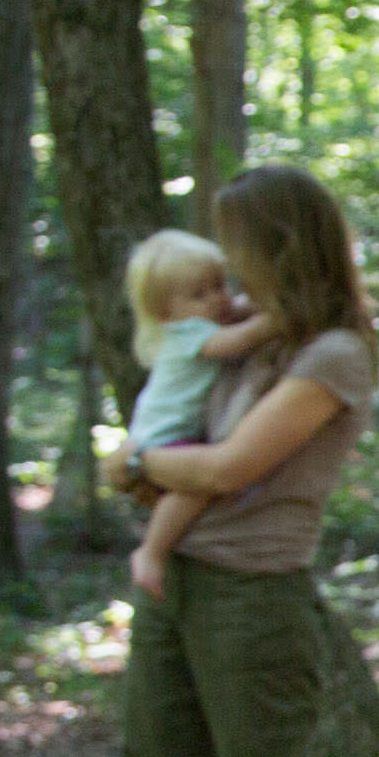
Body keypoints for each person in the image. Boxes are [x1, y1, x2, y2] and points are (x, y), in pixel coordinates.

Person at [112, 166, 379, 757]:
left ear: (277, 248)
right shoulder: (235, 340)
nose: (225, 269)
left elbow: (230, 468)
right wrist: (150, 467)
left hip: (254, 595)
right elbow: (177, 444)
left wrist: (143, 466)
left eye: (236, 248)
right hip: (175, 585)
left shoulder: (331, 355)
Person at [117, 229, 287, 603]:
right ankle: (151, 552)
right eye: (199, 293)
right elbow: (233, 342)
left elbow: (237, 310)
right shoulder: (187, 334)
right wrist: (276, 318)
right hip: (165, 435)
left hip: (168, 431)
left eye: (219, 285)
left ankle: (154, 550)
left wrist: (254, 305)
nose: (217, 299)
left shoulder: (200, 318)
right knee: (193, 489)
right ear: (166, 311)